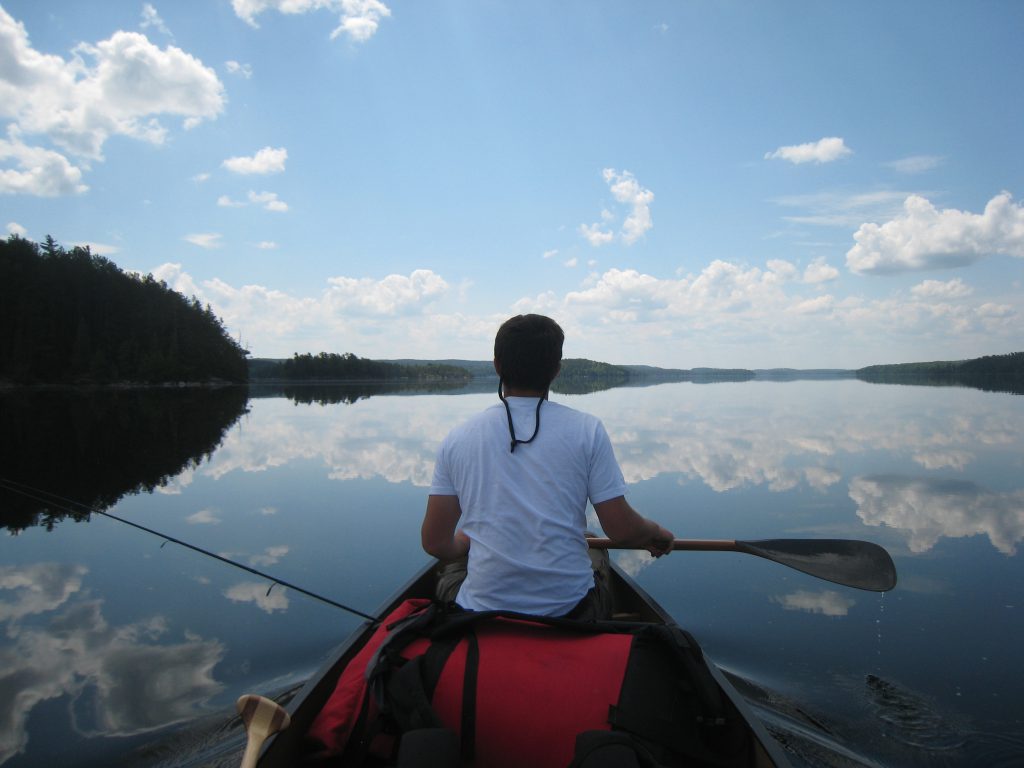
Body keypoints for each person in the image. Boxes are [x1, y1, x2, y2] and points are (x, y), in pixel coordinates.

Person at [421, 314, 674, 619]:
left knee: (457, 560)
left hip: (479, 614)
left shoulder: (457, 437)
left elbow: (435, 542)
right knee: (592, 543)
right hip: (571, 611)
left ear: (497, 365)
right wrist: (654, 532)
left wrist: (465, 541)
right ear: (556, 370)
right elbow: (621, 530)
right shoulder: (587, 429)